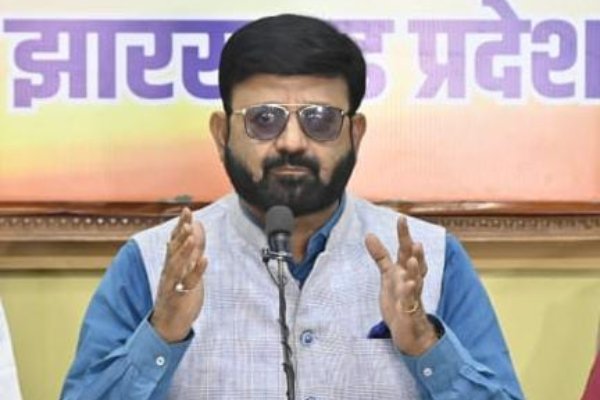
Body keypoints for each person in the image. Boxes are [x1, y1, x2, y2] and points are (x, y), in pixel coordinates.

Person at [62, 14, 524, 399]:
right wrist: (162, 331)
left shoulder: (430, 259)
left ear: (355, 134)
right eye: (264, 119)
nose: (291, 142)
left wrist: (422, 342)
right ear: (222, 134)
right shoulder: (151, 263)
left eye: (319, 120)